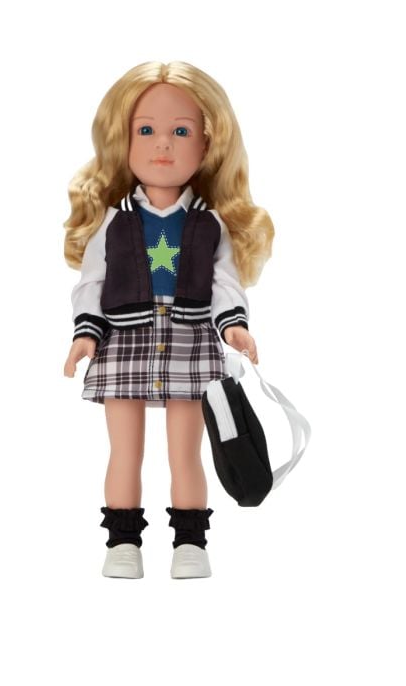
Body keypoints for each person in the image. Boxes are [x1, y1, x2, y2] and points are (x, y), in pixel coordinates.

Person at [63, 61, 274, 579]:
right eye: (146, 130)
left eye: (181, 131)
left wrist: (233, 325)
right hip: (123, 338)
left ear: (208, 143)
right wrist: (86, 333)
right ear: (122, 140)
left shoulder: (209, 223)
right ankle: (122, 541)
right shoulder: (112, 222)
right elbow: (91, 282)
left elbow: (225, 283)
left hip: (191, 337)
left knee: (187, 452)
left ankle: (190, 542)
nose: (163, 144)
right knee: (124, 451)